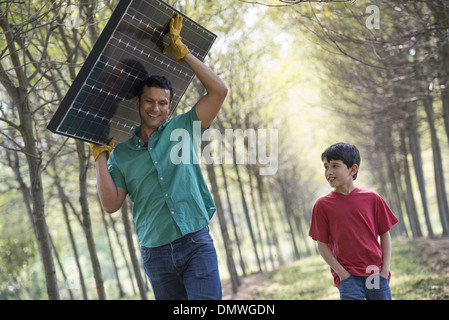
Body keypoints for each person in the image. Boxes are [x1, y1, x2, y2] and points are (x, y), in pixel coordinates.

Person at [89, 15, 227, 300]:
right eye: (149, 101)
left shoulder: (183, 129)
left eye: (163, 103)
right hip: (155, 254)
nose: (155, 108)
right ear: (138, 103)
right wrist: (99, 156)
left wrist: (184, 53)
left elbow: (219, 91)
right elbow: (111, 204)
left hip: (195, 244)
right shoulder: (123, 153)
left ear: (169, 105)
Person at [308, 142, 398, 300]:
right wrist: (342, 274)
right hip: (348, 277)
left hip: (374, 273)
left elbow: (385, 235)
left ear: (353, 169)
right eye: (326, 167)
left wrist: (384, 270)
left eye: (334, 166)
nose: (329, 172)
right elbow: (321, 244)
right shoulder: (322, 206)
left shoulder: (372, 199)